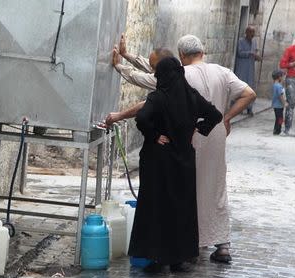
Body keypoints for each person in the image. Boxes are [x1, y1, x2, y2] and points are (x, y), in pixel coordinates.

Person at [107, 35, 256, 263]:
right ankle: (221, 243)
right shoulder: (222, 72)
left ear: (182, 56)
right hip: (214, 134)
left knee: (186, 191)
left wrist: (120, 67)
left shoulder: (181, 75)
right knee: (215, 186)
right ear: (202, 52)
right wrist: (227, 118)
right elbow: (249, 94)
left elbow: (149, 86)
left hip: (187, 138)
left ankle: (184, 245)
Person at [129, 57, 223, 272]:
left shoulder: (158, 97)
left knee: (156, 207)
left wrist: (154, 135)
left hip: (158, 161)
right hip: (183, 160)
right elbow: (215, 115)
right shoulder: (192, 97)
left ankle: (155, 257)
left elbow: (142, 118)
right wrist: (198, 129)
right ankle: (178, 258)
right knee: (181, 208)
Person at [234, 26, 262, 116]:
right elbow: (239, 52)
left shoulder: (254, 42)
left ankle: (249, 108)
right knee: (240, 88)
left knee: (250, 89)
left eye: (253, 32)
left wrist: (257, 57)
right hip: (242, 68)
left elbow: (254, 54)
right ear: (246, 32)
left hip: (250, 69)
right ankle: (239, 108)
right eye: (251, 32)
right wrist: (250, 53)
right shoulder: (240, 41)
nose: (252, 34)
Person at [271, 70, 288, 135]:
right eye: (283, 77)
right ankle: (278, 131)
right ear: (279, 77)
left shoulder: (275, 85)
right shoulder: (278, 86)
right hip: (278, 105)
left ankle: (276, 130)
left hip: (276, 105)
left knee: (278, 118)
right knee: (280, 118)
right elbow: (280, 96)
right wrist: (284, 103)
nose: (284, 78)